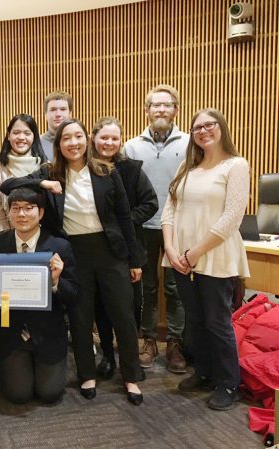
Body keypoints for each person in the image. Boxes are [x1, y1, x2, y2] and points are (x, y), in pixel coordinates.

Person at [1, 119, 145, 405]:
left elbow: (125, 217)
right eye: (66, 138)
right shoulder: (51, 172)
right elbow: (8, 185)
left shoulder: (106, 170)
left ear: (87, 140)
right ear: (58, 145)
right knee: (80, 316)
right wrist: (41, 182)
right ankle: (87, 374)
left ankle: (131, 376)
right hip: (74, 251)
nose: (73, 143)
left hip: (110, 250)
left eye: (78, 136)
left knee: (123, 316)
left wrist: (135, 259)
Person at [161, 108, 250, 411]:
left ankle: (228, 382)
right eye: (197, 127)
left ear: (221, 127)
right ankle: (204, 372)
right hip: (181, 258)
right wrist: (171, 250)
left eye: (209, 125)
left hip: (215, 255)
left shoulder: (235, 165)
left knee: (217, 321)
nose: (203, 131)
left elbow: (232, 218)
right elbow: (169, 211)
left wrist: (195, 252)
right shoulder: (187, 165)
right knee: (195, 321)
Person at [0, 188, 80, 403]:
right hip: (12, 332)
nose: (22, 214)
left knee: (49, 393)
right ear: (8, 213)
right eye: (15, 209)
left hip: (48, 332)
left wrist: (56, 281)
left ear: (41, 213)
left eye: (29, 208)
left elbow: (74, 295)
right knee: (19, 395)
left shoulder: (59, 246)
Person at [124, 84, 189, 374]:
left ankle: (175, 343)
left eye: (167, 104)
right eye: (155, 105)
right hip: (145, 227)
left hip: (177, 226)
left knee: (176, 288)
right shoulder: (131, 146)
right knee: (147, 288)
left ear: (176, 109)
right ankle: (149, 339)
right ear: (146, 110)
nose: (161, 110)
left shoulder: (190, 143)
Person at [89, 117, 158, 380]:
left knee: (128, 308)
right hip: (96, 248)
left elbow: (150, 203)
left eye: (114, 138)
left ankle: (129, 359)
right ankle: (107, 355)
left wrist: (123, 222)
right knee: (101, 307)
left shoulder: (131, 169)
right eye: (103, 137)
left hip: (127, 248)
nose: (109, 142)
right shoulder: (84, 168)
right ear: (93, 139)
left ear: (120, 141)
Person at [0, 114, 47, 234]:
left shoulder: (44, 166)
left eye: (27, 133)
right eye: (16, 132)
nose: (21, 137)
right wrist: (5, 240)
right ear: (8, 136)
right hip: (10, 236)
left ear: (34, 137)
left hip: (42, 236)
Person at [40, 91, 73, 161]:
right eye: (53, 110)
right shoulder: (36, 144)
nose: (58, 114)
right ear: (45, 115)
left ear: (70, 114)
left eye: (63, 109)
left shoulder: (82, 142)